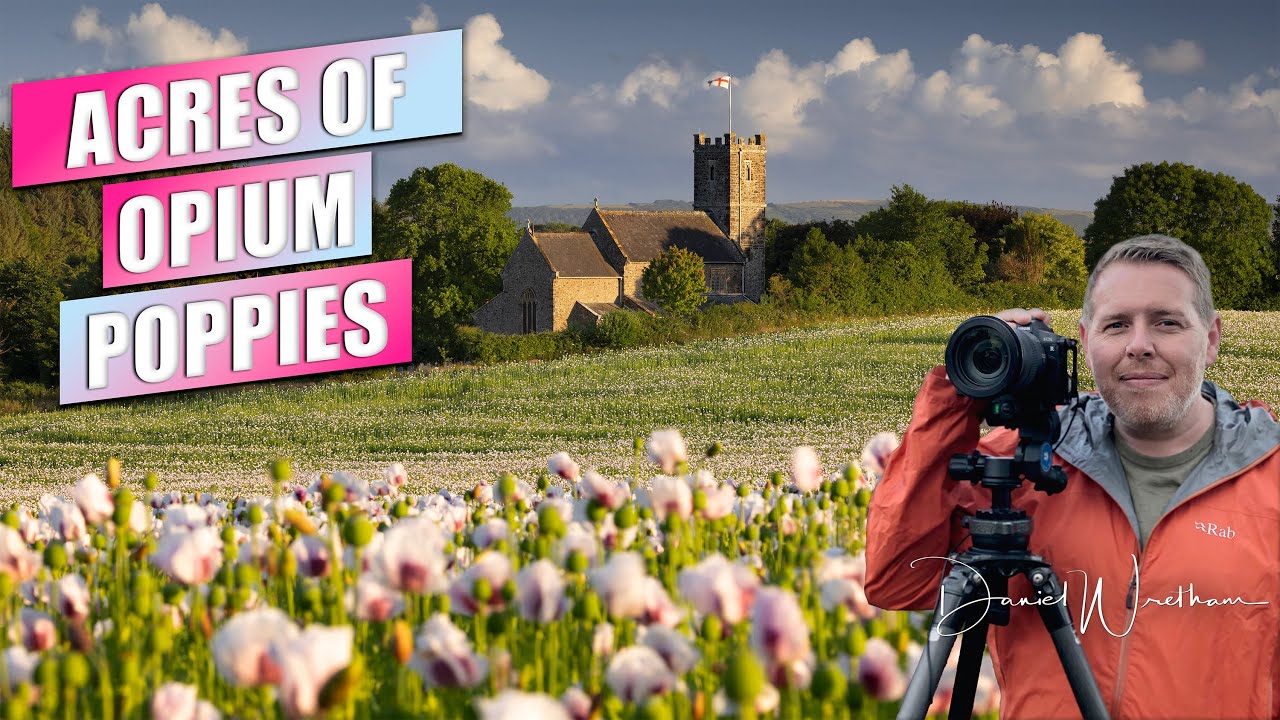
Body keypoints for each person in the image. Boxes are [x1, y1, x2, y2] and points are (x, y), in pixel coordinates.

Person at [864, 235, 1280, 719]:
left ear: (1210, 339)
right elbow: (896, 581)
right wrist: (960, 397)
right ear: (1085, 342)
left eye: (1167, 323)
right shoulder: (1021, 464)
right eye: (1117, 325)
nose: (1139, 345)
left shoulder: (1269, 476)